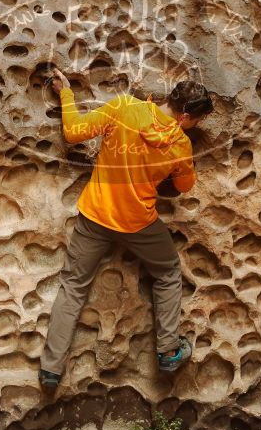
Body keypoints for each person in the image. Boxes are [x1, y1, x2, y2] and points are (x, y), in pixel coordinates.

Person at [38, 68, 214, 389]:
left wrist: (66, 93)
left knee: (74, 287)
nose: (196, 126)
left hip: (95, 214)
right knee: (168, 272)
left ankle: (51, 371)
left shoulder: (123, 108)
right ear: (187, 116)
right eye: (197, 121)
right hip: (137, 223)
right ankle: (168, 350)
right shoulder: (180, 145)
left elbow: (74, 132)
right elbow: (185, 186)